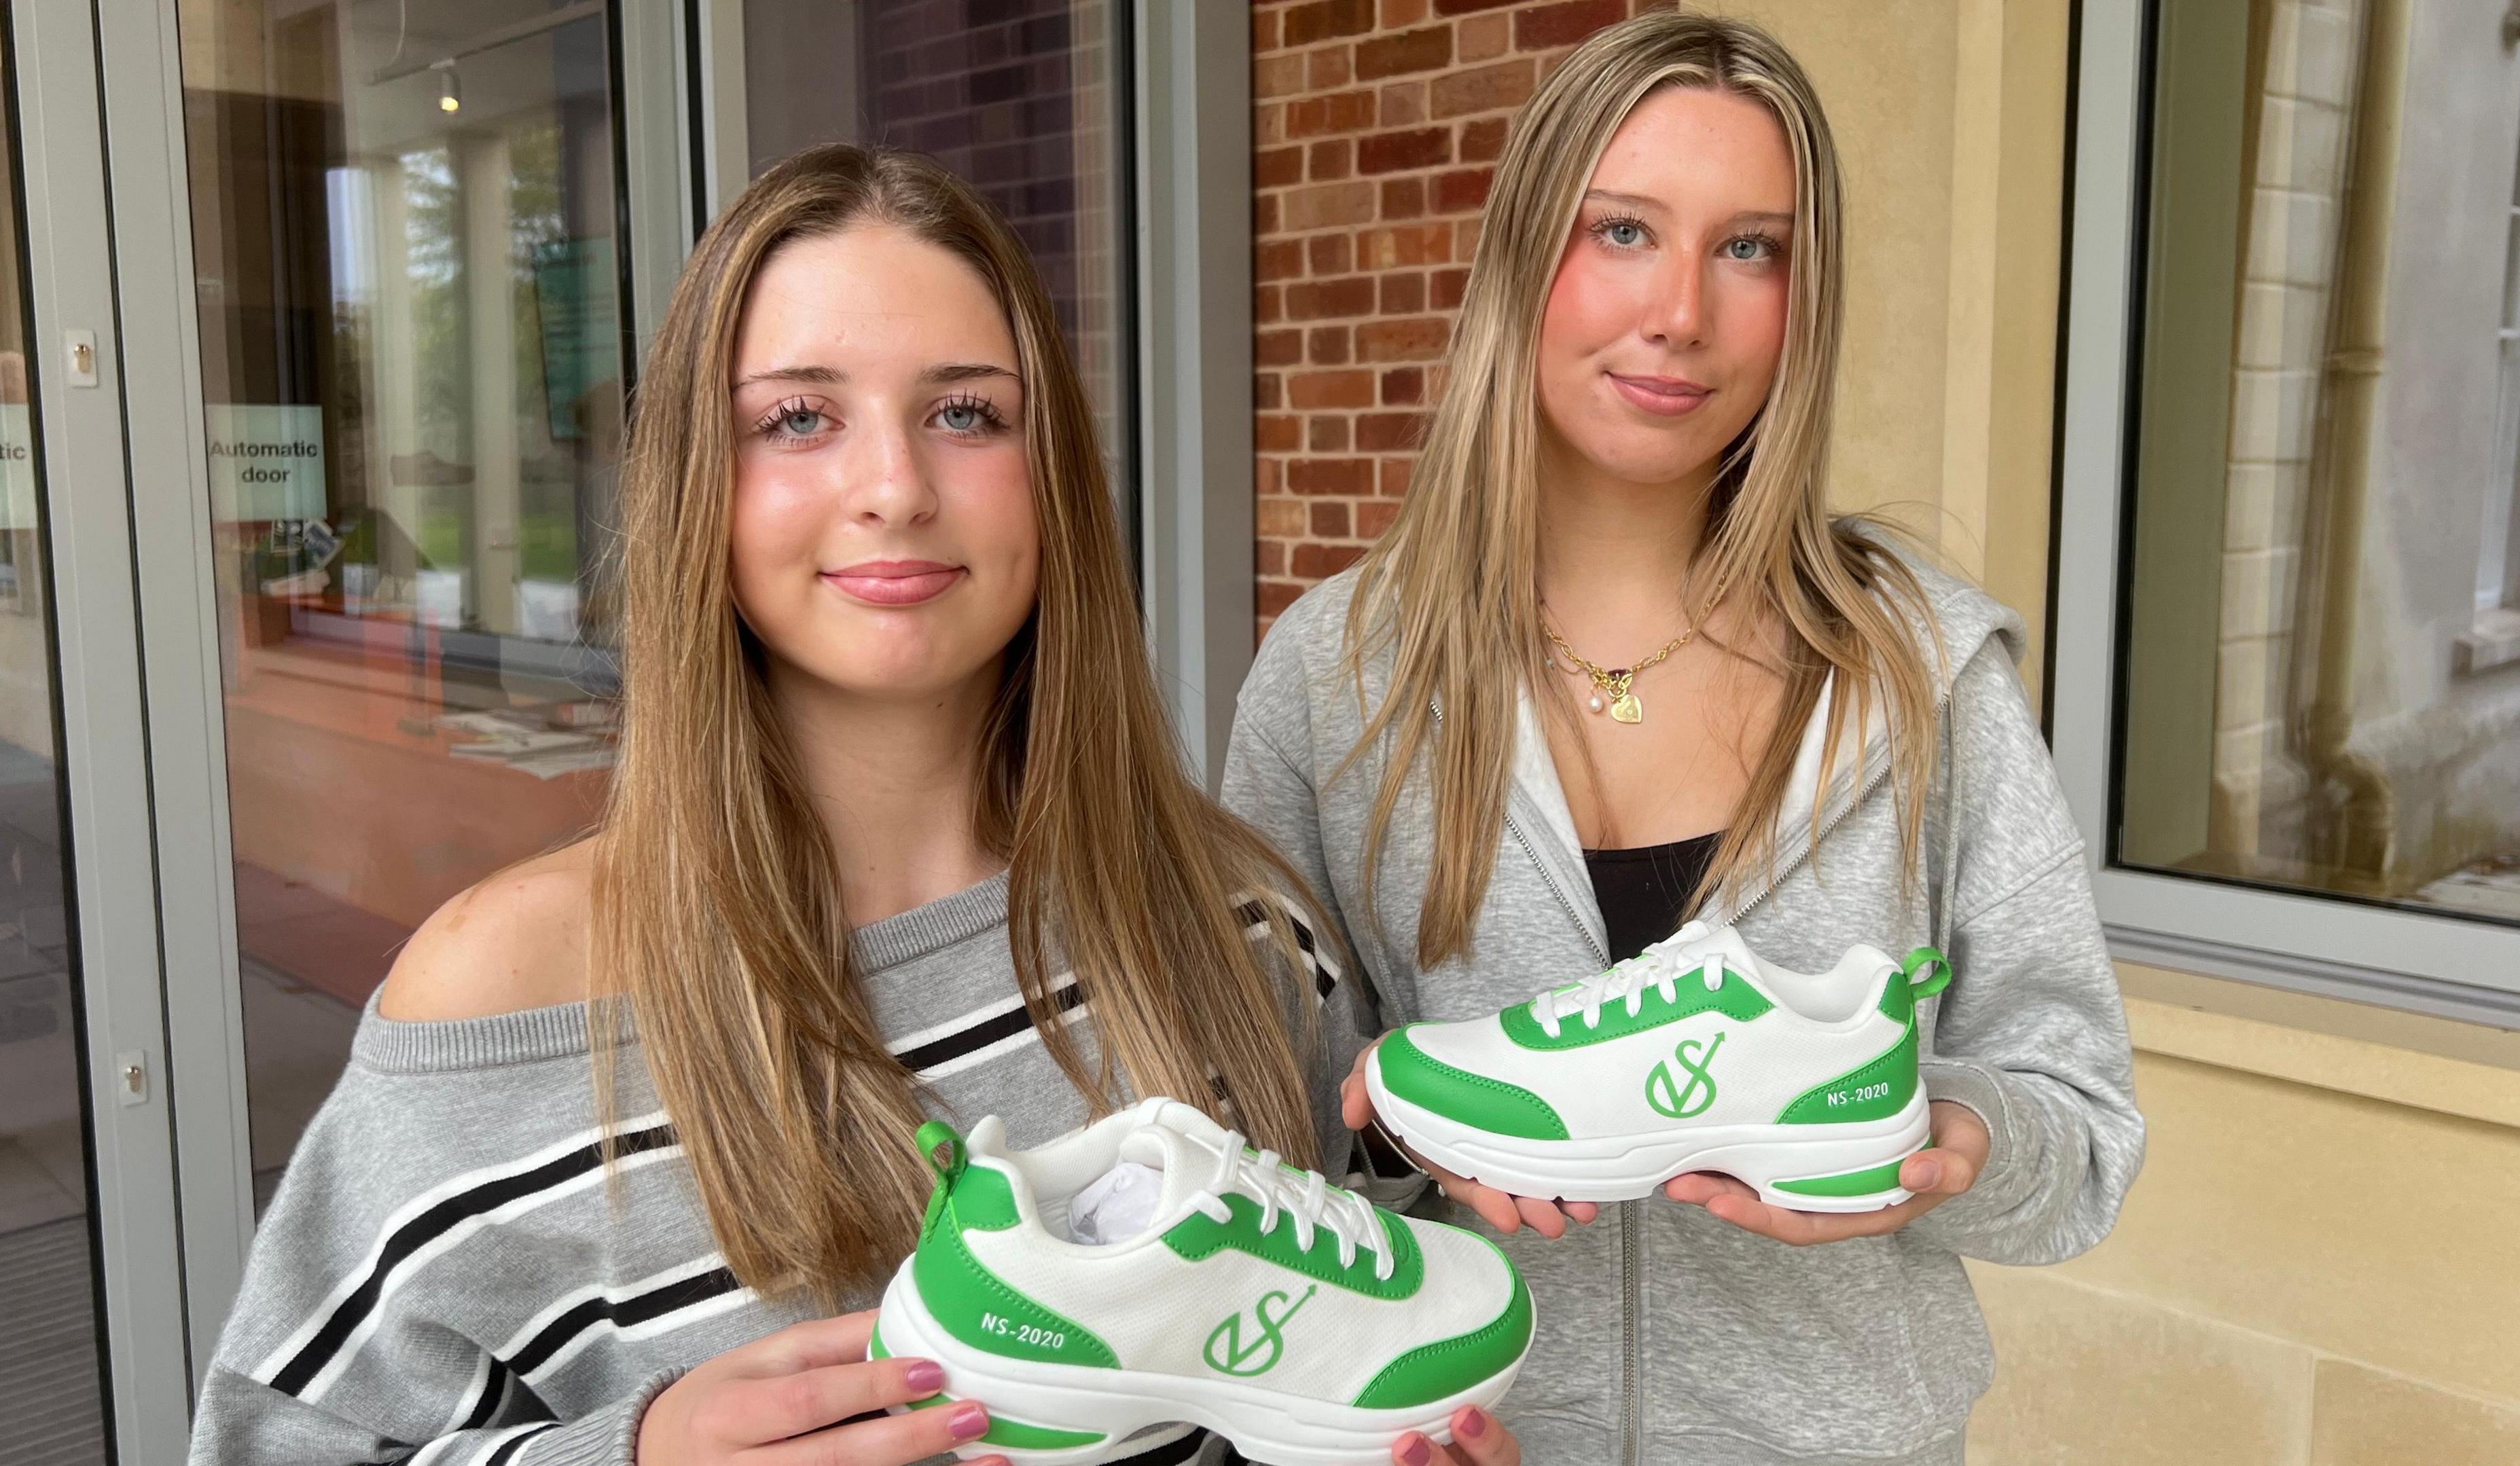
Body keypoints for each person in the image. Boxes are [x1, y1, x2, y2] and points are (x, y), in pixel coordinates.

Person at [187, 145, 1520, 1466]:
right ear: (699, 485)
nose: (894, 486)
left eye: (965, 413)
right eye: (798, 419)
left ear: (1049, 475)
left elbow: (1345, 1339)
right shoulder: (510, 996)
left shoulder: (1233, 918)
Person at [1221, 13, 2144, 1465]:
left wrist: (1946, 1134)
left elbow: (2080, 1134)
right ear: (1527, 255)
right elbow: (1263, 1146)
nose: (1681, 316)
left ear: (1804, 297)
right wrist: (1401, 1146)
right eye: (1624, 231)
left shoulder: (1923, 670)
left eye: (1751, 249)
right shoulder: (1335, 677)